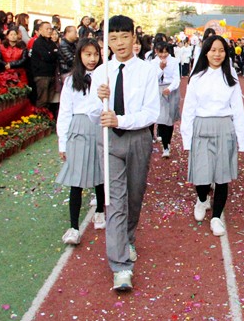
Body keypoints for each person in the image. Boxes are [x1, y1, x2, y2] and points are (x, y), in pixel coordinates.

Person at [87, 15, 160, 292]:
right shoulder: (100, 72)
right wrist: (98, 99)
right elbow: (95, 115)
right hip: (110, 142)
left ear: (134, 38)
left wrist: (122, 120)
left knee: (133, 196)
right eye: (113, 38)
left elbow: (151, 112)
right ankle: (120, 267)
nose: (119, 43)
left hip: (138, 138)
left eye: (123, 36)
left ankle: (128, 237)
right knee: (115, 202)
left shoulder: (147, 70)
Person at [181, 35, 244, 236]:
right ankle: (202, 199)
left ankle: (217, 217)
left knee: (222, 176)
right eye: (213, 50)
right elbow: (188, 109)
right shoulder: (197, 78)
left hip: (224, 127)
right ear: (206, 52)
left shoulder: (231, 78)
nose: (217, 54)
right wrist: (187, 138)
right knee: (201, 175)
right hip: (201, 127)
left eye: (221, 50)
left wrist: (241, 140)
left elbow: (237, 110)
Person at [56, 38, 106, 245]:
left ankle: (101, 210)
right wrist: (63, 141)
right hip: (77, 128)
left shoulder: (105, 77)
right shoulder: (70, 81)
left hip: (99, 126)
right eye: (87, 54)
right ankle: (74, 227)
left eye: (95, 54)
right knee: (76, 179)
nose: (92, 59)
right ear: (79, 56)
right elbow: (65, 111)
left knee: (100, 172)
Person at [152, 42, 180, 158]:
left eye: (165, 52)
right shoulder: (153, 63)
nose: (163, 55)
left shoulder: (174, 61)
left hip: (171, 89)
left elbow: (176, 78)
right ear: (156, 52)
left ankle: (168, 141)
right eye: (160, 52)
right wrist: (160, 68)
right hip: (159, 88)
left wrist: (170, 88)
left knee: (170, 119)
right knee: (162, 119)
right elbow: (152, 78)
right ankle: (165, 146)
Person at [31, 22, 59, 110]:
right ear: (40, 31)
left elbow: (56, 55)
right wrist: (52, 53)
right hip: (41, 75)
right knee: (42, 100)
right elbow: (46, 56)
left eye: (50, 29)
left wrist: (52, 53)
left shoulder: (52, 43)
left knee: (49, 100)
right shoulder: (38, 43)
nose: (49, 31)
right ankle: (40, 119)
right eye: (47, 29)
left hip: (51, 74)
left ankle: (48, 118)